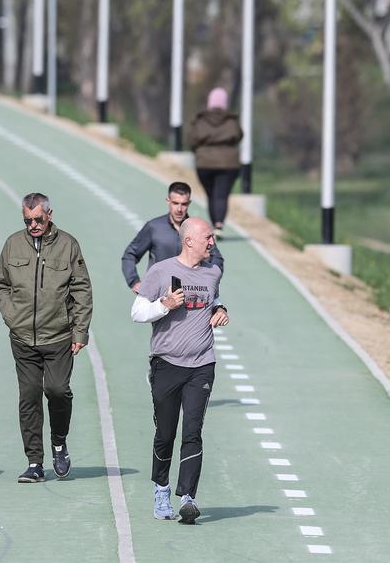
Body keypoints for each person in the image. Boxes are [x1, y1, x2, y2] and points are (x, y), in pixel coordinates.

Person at [131, 216, 229, 525]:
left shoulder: (213, 272)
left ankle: (188, 497)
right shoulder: (161, 271)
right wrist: (164, 305)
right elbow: (137, 312)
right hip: (166, 364)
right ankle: (161, 488)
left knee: (193, 431)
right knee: (165, 433)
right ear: (189, 241)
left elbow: (215, 299)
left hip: (202, 364)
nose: (212, 243)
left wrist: (221, 310)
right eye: (207, 238)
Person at [0, 193, 93, 483]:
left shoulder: (68, 245)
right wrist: (11, 316)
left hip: (59, 336)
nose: (33, 225)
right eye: (27, 220)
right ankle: (34, 462)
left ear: (49, 214)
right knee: (29, 396)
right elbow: (0, 284)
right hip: (23, 337)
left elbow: (82, 290)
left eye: (38, 219)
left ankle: (59, 443)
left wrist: (80, 330)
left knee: (58, 390)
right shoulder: (13, 244)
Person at [121, 181, 223, 293]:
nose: (179, 209)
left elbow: (216, 257)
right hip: (158, 294)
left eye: (184, 204)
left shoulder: (198, 229)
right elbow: (130, 254)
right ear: (168, 201)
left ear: (189, 203)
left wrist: (210, 278)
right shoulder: (154, 227)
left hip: (192, 293)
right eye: (175, 203)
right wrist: (134, 281)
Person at [190, 87, 243, 236]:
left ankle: (215, 223)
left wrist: (200, 152)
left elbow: (192, 140)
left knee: (211, 194)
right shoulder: (232, 121)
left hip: (204, 163)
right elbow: (239, 136)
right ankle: (218, 225)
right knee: (221, 195)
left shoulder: (200, 120)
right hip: (229, 163)